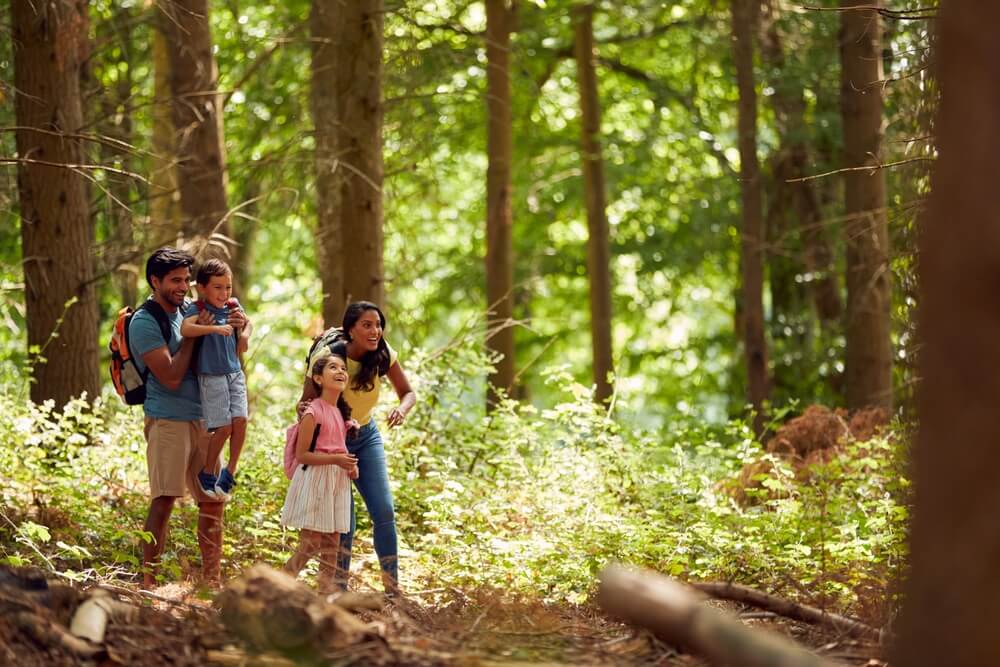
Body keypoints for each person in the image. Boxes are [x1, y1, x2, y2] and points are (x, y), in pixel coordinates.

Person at [129, 247, 251, 588]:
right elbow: (169, 375)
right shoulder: (144, 322)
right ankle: (148, 582)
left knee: (213, 500)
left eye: (186, 280)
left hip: (206, 418)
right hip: (168, 418)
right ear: (155, 281)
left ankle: (211, 582)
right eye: (175, 281)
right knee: (165, 499)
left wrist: (239, 327)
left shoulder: (191, 308)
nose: (182, 287)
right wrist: (197, 336)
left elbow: (232, 331)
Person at [301, 301, 416, 594]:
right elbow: (304, 405)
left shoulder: (382, 353)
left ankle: (392, 589)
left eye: (378, 325)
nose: (375, 331)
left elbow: (408, 393)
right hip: (334, 442)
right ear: (350, 329)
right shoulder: (329, 357)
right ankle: (339, 590)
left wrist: (401, 409)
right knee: (345, 521)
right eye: (367, 325)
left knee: (384, 511)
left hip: (367, 435)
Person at [282, 350, 360, 593]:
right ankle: (276, 588)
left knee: (331, 544)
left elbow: (338, 447)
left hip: (336, 481)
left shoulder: (340, 412)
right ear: (318, 378)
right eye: (333, 368)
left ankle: (325, 598)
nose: (341, 372)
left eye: (343, 369)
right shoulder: (313, 411)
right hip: (315, 478)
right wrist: (336, 458)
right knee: (310, 544)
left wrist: (350, 466)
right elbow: (303, 454)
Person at [180, 258, 248, 501]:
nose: (224, 292)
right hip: (211, 375)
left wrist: (245, 337)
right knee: (224, 426)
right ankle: (207, 471)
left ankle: (230, 470)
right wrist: (213, 329)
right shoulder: (197, 309)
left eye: (227, 287)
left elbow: (247, 324)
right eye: (218, 287)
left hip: (234, 372)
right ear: (202, 288)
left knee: (241, 421)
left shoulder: (232, 305)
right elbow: (186, 329)